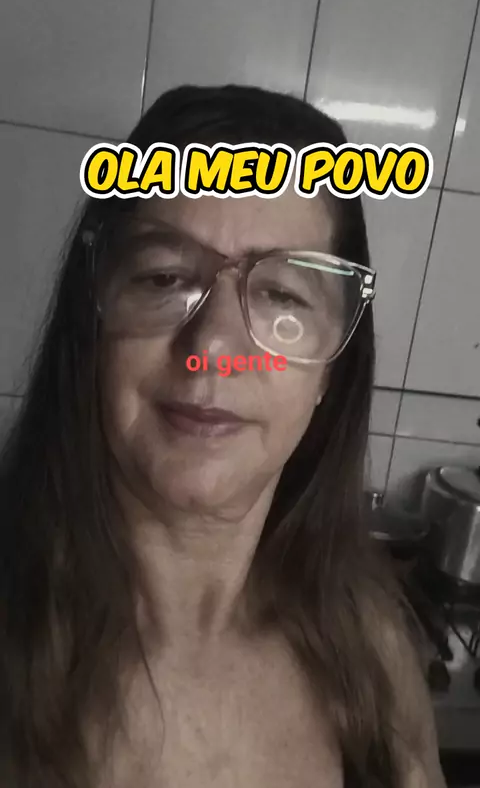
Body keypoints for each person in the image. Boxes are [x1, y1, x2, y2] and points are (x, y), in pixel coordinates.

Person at [0, 84, 447, 788]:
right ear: (93, 321)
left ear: (330, 369)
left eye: (282, 296)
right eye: (164, 277)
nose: (212, 347)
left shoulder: (372, 652)